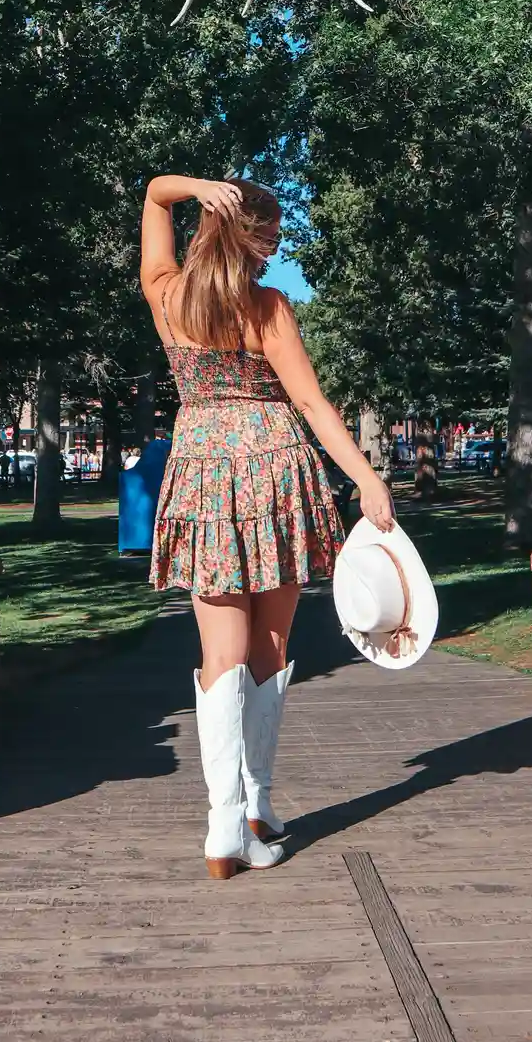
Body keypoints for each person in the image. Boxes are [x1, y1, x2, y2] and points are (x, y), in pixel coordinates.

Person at [140, 173, 395, 880]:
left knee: (220, 650)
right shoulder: (269, 307)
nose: (277, 243)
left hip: (202, 471)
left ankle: (236, 818)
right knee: (271, 646)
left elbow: (156, 196)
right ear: (251, 240)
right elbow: (311, 402)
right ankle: (251, 805)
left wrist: (193, 187)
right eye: (272, 232)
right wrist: (366, 479)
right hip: (275, 470)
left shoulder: (166, 298)